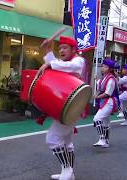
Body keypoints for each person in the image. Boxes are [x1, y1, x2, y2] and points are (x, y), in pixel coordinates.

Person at [38, 36, 86, 180]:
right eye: (59, 48)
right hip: (67, 105)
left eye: (65, 48)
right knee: (66, 141)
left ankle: (67, 170)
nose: (61, 51)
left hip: (72, 106)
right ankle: (69, 173)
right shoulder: (64, 63)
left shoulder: (78, 61)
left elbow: (64, 66)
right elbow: (54, 63)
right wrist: (48, 49)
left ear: (73, 50)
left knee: (52, 138)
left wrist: (50, 64)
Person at [93, 59, 119, 148]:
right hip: (104, 101)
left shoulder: (111, 79)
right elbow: (99, 89)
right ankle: (106, 141)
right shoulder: (104, 77)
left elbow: (108, 93)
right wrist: (96, 93)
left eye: (105, 67)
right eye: (103, 66)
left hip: (109, 101)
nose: (103, 68)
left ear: (110, 69)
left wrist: (97, 97)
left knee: (97, 119)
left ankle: (102, 139)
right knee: (105, 122)